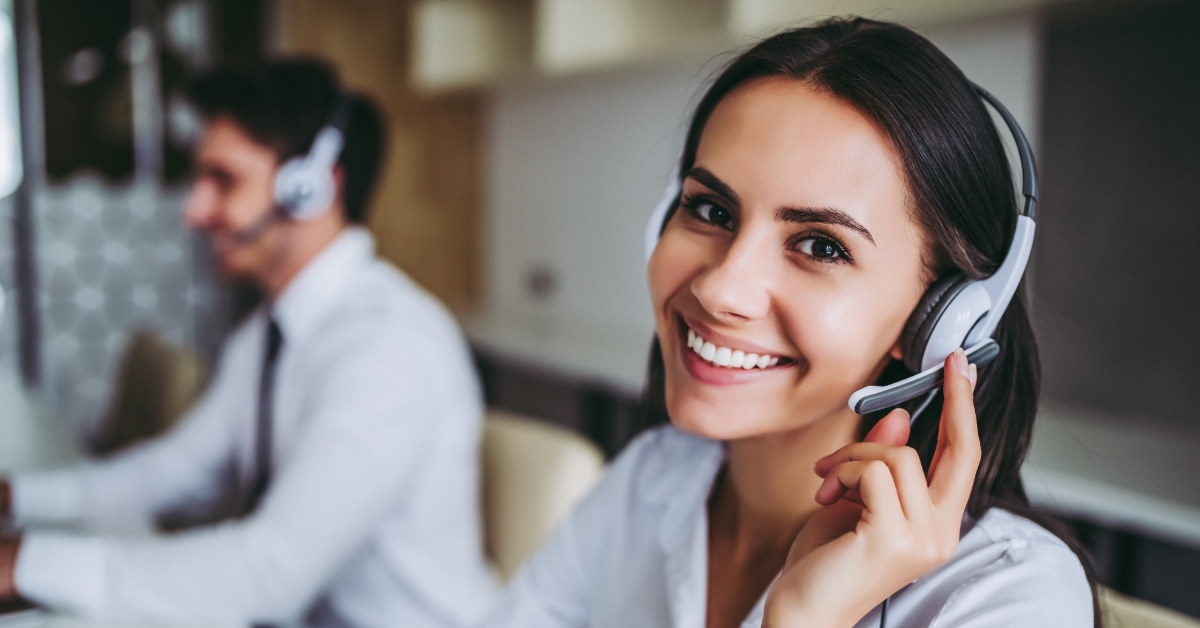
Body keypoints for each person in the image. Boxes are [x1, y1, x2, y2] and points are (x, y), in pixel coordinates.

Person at [480, 17, 1097, 628]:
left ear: (945, 320)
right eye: (710, 208)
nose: (720, 287)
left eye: (822, 246)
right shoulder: (650, 481)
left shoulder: (1010, 596)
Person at [0, 59, 497, 627]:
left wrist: (24, 566)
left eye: (224, 180)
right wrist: (15, 499)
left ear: (309, 189)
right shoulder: (269, 333)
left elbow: (267, 577)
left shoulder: (387, 349)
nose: (193, 210)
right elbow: (175, 472)